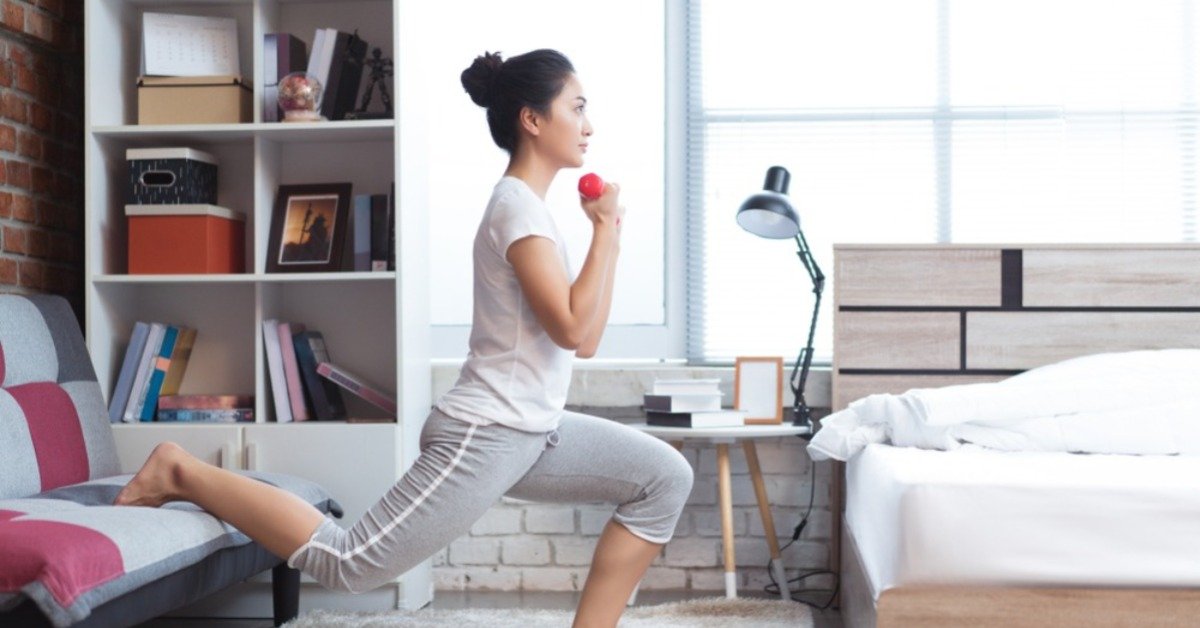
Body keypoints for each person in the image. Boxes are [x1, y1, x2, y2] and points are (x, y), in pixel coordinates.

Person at [114, 48, 694, 628]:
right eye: (578, 107)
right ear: (533, 119)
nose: (589, 125)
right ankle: (179, 470)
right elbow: (571, 328)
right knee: (349, 564)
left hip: (534, 430)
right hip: (487, 433)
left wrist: (608, 235)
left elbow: (584, 340)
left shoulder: (532, 211)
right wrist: (602, 233)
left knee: (664, 476)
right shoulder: (516, 210)